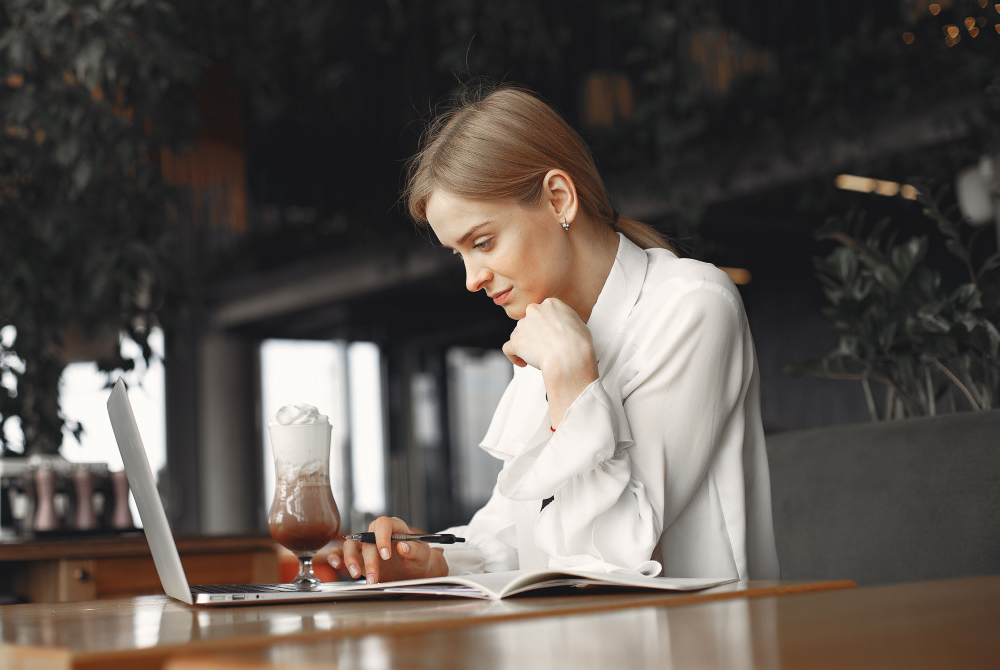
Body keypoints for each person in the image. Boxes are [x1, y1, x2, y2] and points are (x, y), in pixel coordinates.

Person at [326, 83, 780, 584]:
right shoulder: (544, 328)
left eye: (483, 242)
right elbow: (520, 529)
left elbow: (614, 557)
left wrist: (572, 385)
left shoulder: (692, 306)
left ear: (558, 199)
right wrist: (433, 559)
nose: (472, 279)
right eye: (460, 254)